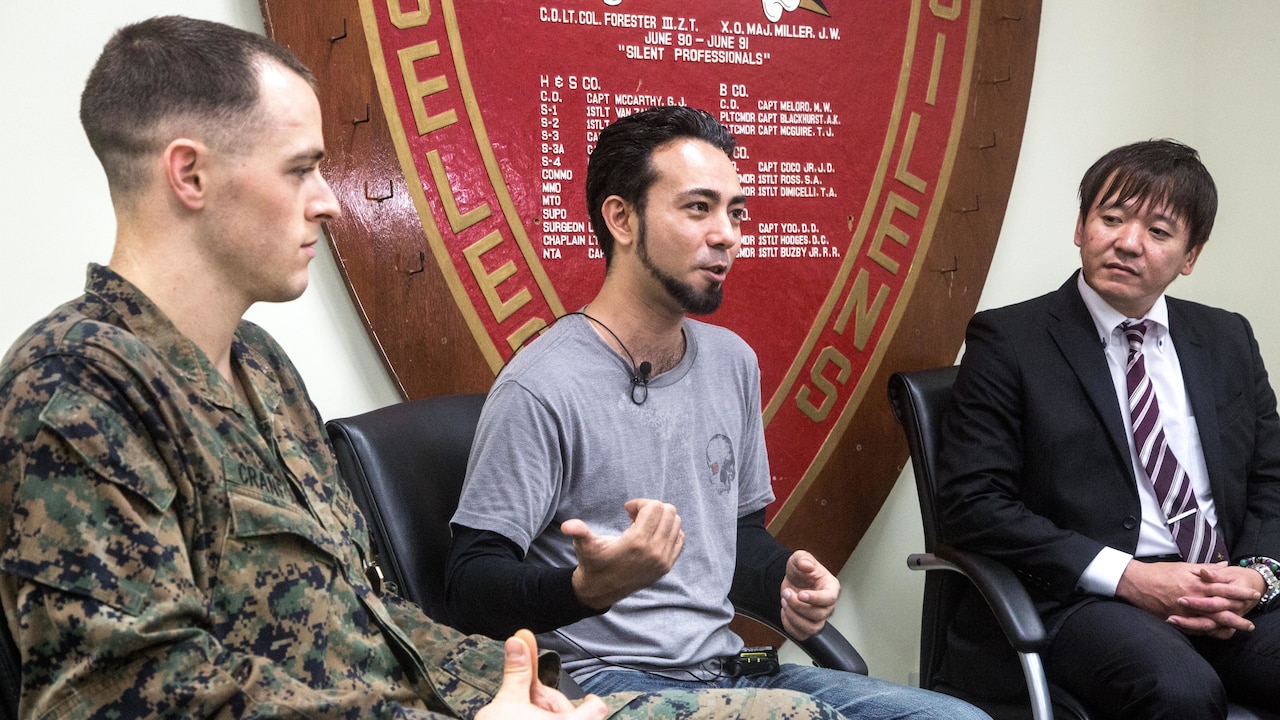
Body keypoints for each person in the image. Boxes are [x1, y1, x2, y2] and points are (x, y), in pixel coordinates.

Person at [0, 16, 852, 720]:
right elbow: (123, 700)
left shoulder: (260, 366)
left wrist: (518, 685)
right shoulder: (75, 387)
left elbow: (367, 615)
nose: (329, 199)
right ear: (189, 173)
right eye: (301, 169)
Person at [445, 105, 990, 720]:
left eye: (735, 212)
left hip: (729, 670)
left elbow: (737, 539)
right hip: (606, 687)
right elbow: (469, 585)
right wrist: (585, 588)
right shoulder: (541, 386)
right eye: (698, 208)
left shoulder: (732, 361)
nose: (728, 234)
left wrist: (785, 577)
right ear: (621, 219)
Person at [938, 139, 1280, 717]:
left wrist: (1257, 578)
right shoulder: (1009, 341)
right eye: (1111, 218)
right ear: (1080, 226)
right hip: (1086, 600)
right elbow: (973, 504)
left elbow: (1272, 480)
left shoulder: (1227, 339)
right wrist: (1130, 577)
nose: (1127, 242)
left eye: (1159, 231)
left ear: (1191, 255)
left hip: (1226, 595)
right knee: (1183, 692)